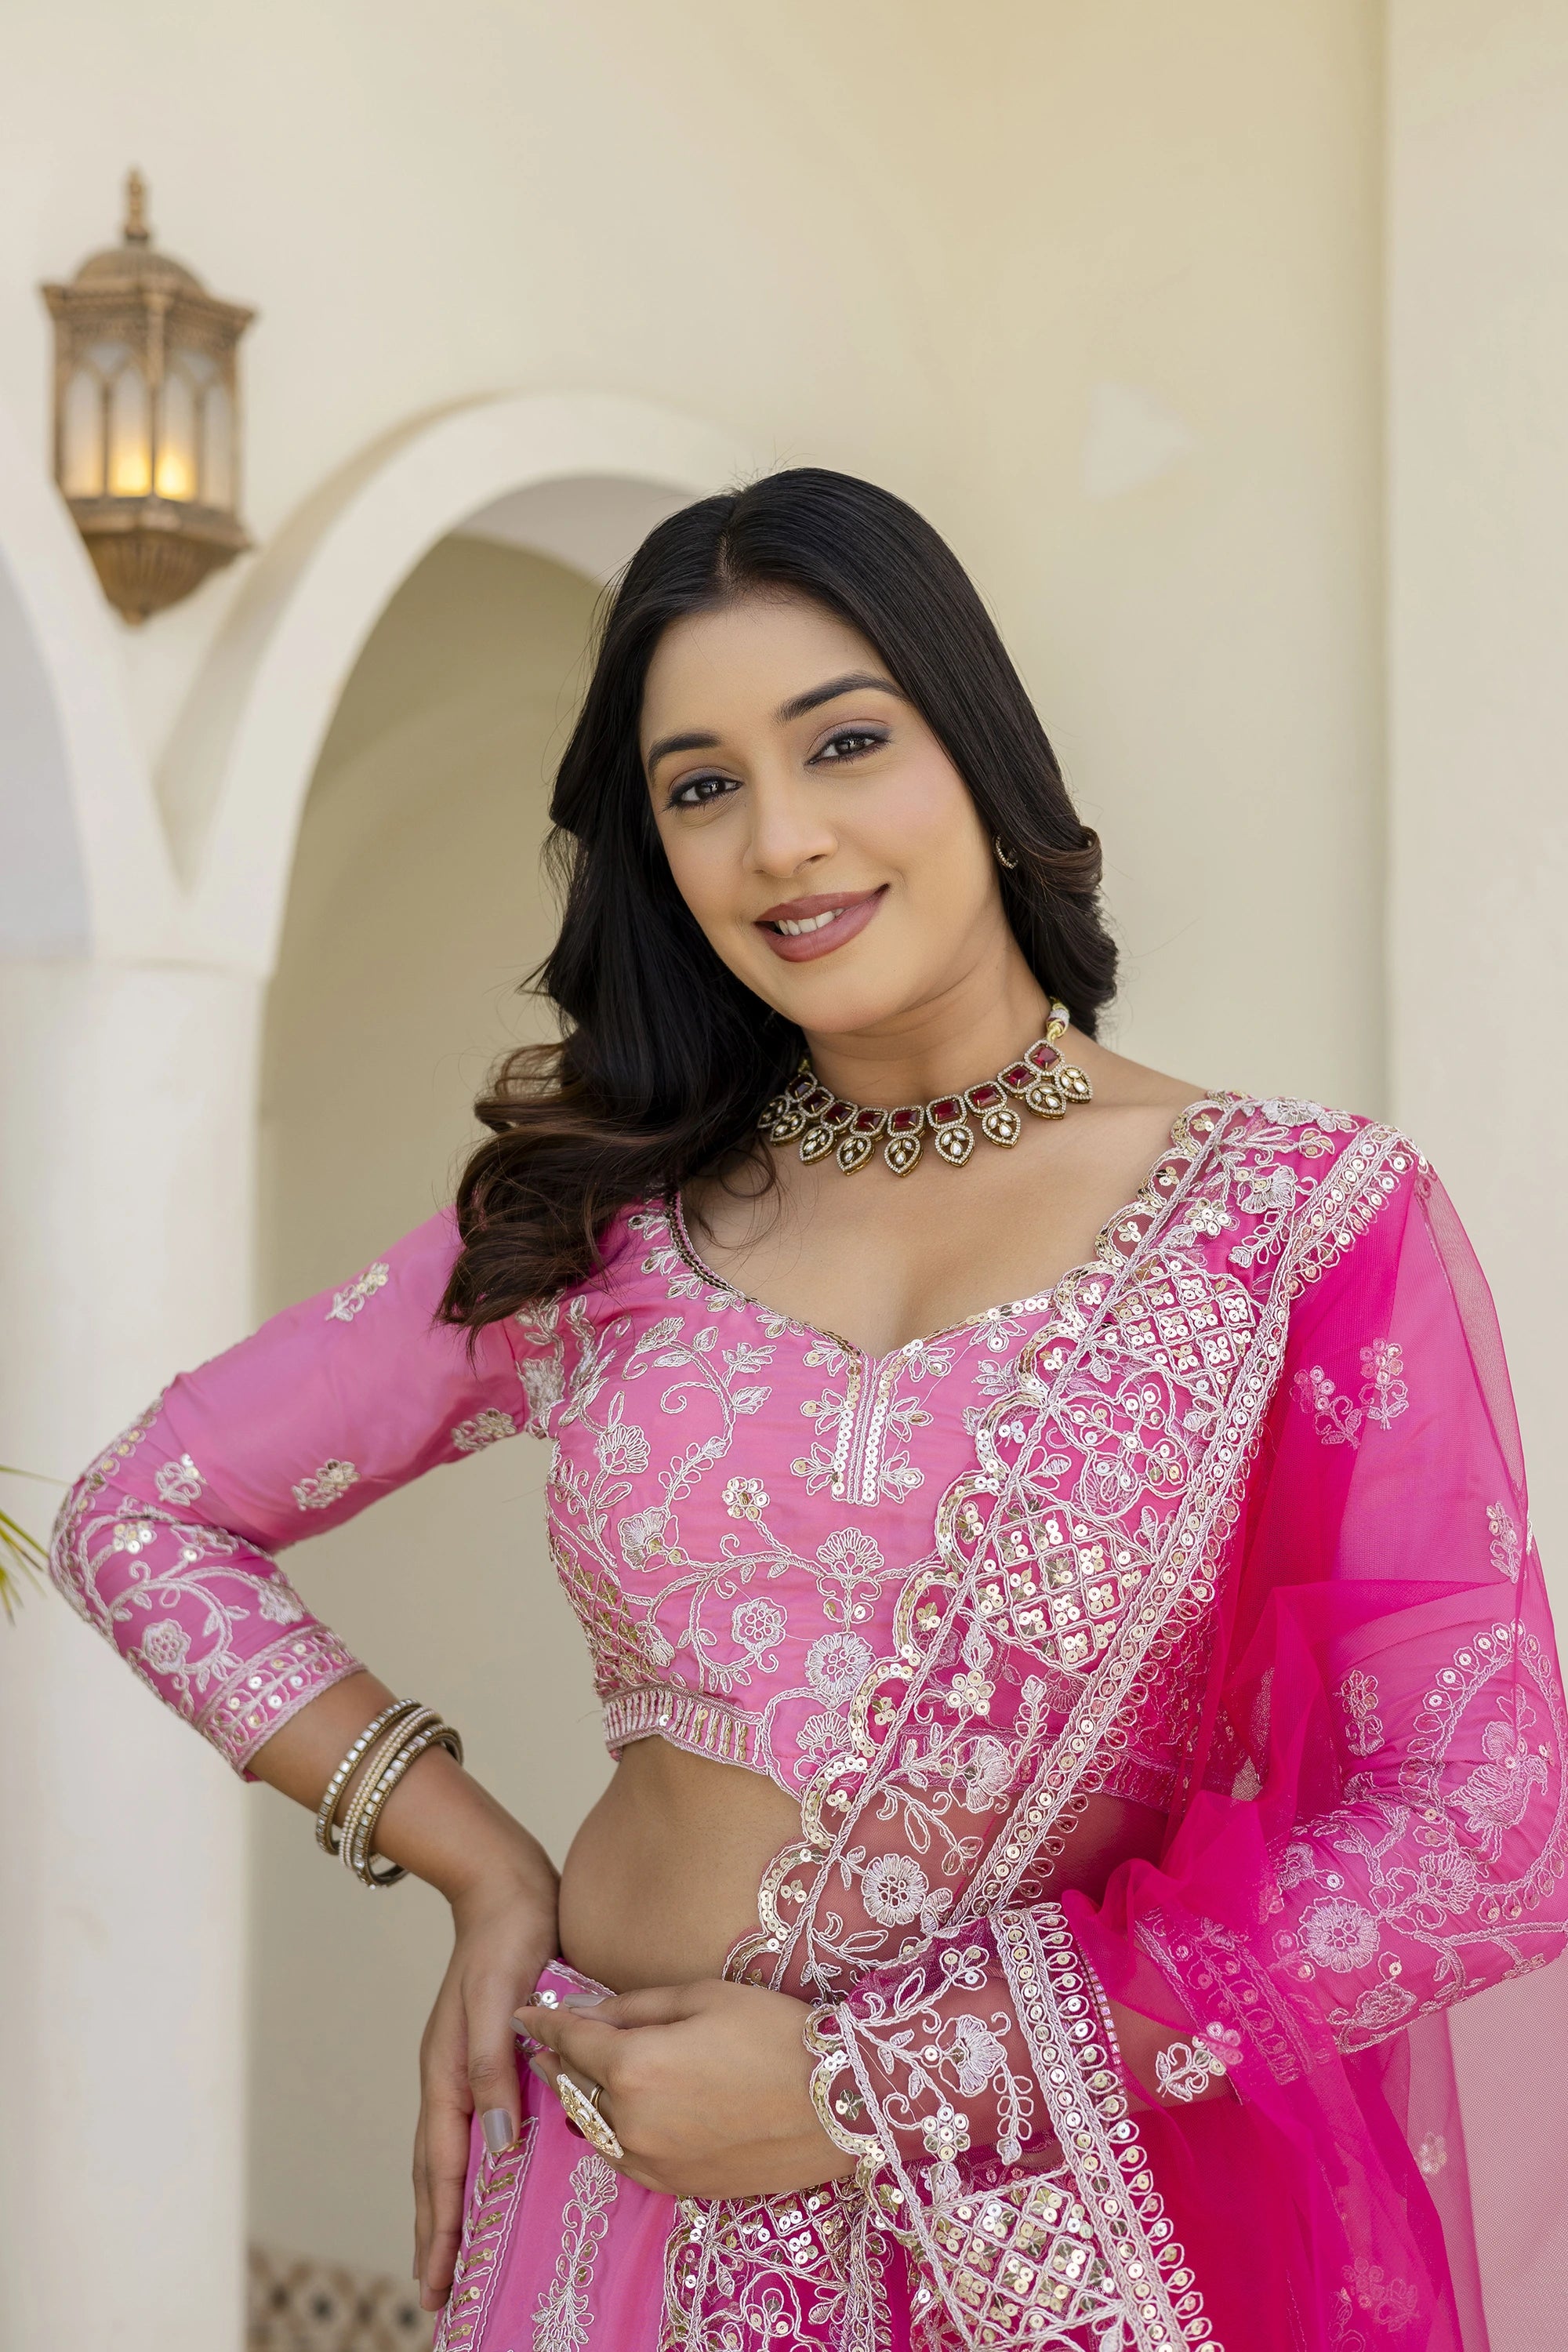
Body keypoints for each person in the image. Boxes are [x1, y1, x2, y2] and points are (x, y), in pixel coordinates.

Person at [53, 470, 1567, 2350]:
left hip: (1038, 2242)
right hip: (608, 2216)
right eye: (700, 787)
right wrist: (474, 1856)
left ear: (978, 753)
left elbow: (1489, 1821)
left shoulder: (1289, 1222)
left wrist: (882, 2086)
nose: (780, 840)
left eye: (844, 742)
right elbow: (144, 1514)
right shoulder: (606, 1216)